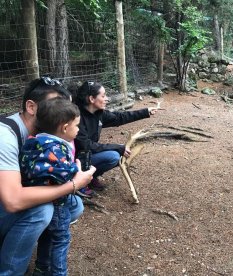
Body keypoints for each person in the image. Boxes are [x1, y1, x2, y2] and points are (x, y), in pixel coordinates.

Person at [0, 77, 96, 275]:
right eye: (55, 104)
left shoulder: (46, 137)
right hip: (8, 201)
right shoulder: (5, 136)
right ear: (31, 107)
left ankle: (40, 264)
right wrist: (73, 184)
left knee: (73, 205)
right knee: (41, 211)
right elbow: (12, 201)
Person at [19, 98, 88, 276]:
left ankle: (41, 269)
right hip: (57, 204)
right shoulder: (57, 148)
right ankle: (59, 273)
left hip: (37, 201)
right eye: (77, 125)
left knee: (46, 237)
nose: (78, 129)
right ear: (65, 128)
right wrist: (77, 170)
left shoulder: (33, 142)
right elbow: (61, 173)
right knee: (61, 240)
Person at [73, 81, 157, 192]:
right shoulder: (76, 117)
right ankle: (79, 181)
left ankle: (90, 177)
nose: (107, 99)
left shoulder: (98, 113)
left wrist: (145, 112)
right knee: (113, 156)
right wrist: (117, 147)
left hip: (87, 155)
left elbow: (119, 117)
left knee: (116, 155)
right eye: (103, 96)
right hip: (75, 160)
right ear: (91, 99)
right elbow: (85, 145)